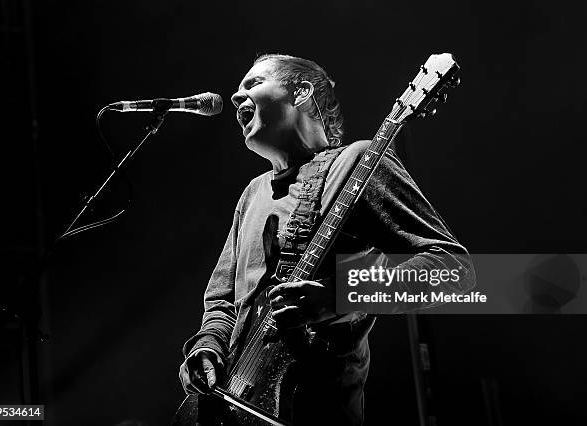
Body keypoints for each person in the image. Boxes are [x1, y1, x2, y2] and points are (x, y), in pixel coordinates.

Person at [178, 54, 474, 425]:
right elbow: (222, 304)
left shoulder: (356, 163)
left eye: (253, 84)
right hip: (228, 406)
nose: (236, 97)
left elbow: (452, 268)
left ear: (301, 93)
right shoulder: (252, 195)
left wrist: (338, 296)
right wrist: (208, 349)